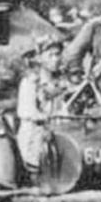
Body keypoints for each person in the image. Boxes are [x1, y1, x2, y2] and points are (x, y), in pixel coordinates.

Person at [17, 38, 68, 180]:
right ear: (40, 58)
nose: (56, 59)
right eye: (50, 55)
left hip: (59, 128)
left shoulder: (62, 81)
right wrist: (41, 116)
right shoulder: (30, 82)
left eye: (58, 54)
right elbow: (26, 111)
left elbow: (66, 105)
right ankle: (35, 173)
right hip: (35, 131)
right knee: (38, 149)